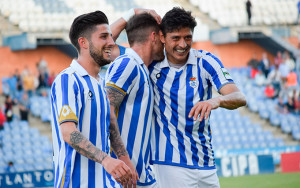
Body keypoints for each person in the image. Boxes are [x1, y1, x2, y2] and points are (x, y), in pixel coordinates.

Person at [148, 8, 247, 188]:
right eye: (176, 38)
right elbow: (109, 51)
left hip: (206, 162)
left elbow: (239, 97)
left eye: (188, 37)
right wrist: (132, 13)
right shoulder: (150, 64)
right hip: (169, 164)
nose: (183, 44)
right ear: (162, 37)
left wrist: (216, 100)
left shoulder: (206, 61)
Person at [50, 11, 135, 188]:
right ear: (83, 42)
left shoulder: (101, 84)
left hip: (105, 182)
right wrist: (106, 160)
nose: (111, 42)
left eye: (111, 37)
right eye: (104, 37)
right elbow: (68, 132)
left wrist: (123, 157)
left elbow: (110, 124)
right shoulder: (69, 79)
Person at [105, 13, 164, 187]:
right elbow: (106, 111)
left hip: (140, 175)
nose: (164, 42)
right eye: (162, 37)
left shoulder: (140, 67)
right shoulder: (128, 64)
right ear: (153, 36)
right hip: (123, 176)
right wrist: (124, 159)